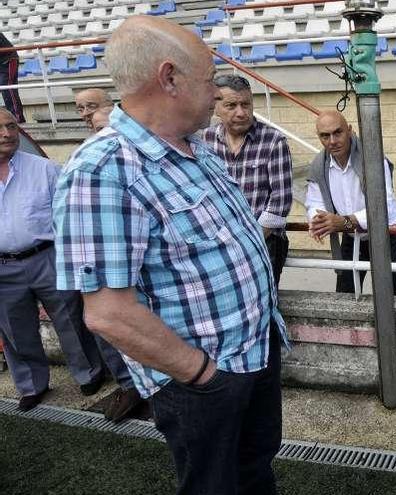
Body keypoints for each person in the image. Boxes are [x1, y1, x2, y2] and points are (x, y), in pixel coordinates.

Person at [53, 16, 288, 494]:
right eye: (208, 79)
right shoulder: (102, 171)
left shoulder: (195, 147)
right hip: (204, 378)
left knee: (254, 471)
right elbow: (108, 314)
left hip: (255, 352)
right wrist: (202, 374)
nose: (216, 92)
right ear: (169, 78)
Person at [0, 108, 105, 412]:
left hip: (47, 257)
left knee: (70, 319)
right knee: (14, 328)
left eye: (11, 126)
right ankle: (32, 386)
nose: (7, 134)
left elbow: (67, 217)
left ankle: (89, 374)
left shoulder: (45, 169)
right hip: (3, 267)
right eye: (0, 129)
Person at [72, 95, 146, 422]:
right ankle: (129, 386)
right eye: (82, 110)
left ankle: (149, 389)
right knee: (107, 330)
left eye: (94, 108)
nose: (88, 116)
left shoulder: (136, 157)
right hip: (100, 267)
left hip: (136, 267)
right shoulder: (84, 162)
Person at [306, 110, 396, 296]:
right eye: (325, 136)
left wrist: (345, 221)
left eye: (337, 132)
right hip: (352, 235)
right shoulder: (318, 166)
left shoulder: (373, 158)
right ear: (319, 137)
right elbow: (314, 202)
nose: (332, 141)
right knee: (345, 295)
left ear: (350, 130)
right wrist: (319, 220)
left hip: (388, 234)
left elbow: (384, 205)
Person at [204, 74, 294, 286]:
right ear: (216, 105)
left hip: (264, 241)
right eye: (231, 105)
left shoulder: (274, 141)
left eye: (246, 104)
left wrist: (247, 240)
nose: (241, 113)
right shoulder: (204, 140)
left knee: (262, 304)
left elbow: (280, 202)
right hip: (218, 243)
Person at [0, 33, 24, 123]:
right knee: (7, 89)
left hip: (8, 60)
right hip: (2, 62)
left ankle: (16, 118)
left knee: (8, 89)